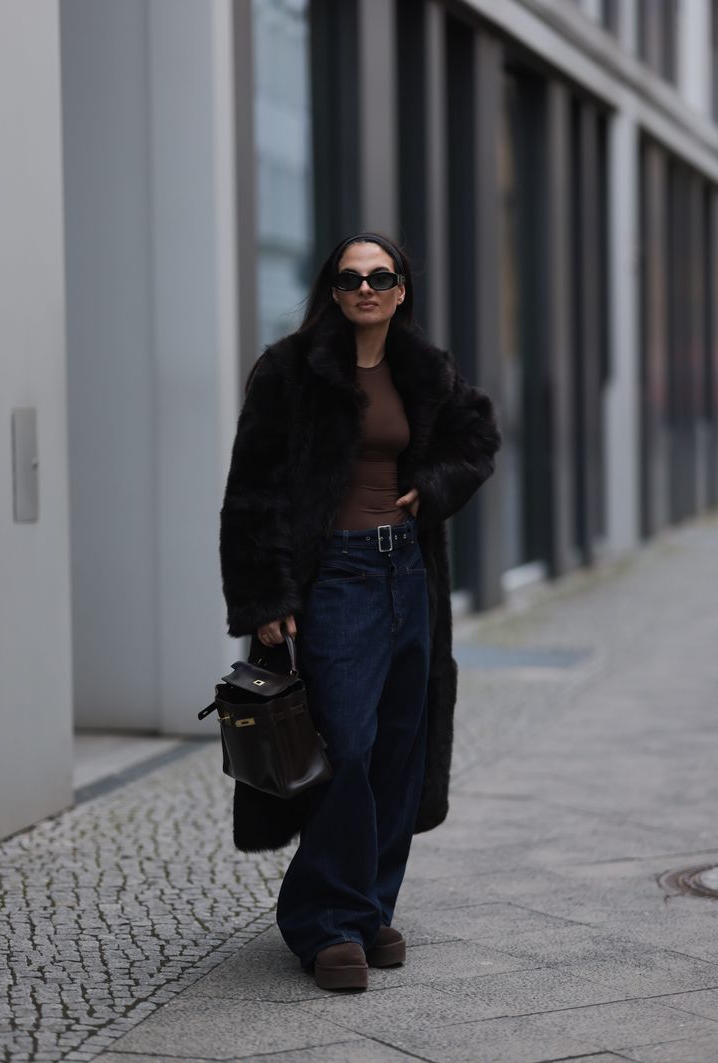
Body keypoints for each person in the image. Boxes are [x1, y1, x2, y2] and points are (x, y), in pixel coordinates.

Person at [219, 232, 500, 990]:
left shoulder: (426, 371)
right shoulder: (289, 371)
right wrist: (267, 597)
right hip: (334, 579)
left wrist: (432, 486)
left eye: (380, 277)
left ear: (400, 289)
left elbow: (478, 437)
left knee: (397, 748)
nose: (365, 289)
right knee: (345, 743)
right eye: (351, 278)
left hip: (407, 571)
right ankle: (323, 921)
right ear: (334, 291)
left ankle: (370, 908)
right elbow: (251, 491)